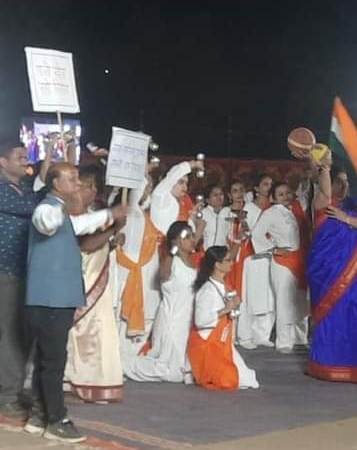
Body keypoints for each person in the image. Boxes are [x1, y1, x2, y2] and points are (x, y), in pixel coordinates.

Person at [23, 162, 127, 443]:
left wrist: (110, 214)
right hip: (51, 299)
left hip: (55, 297)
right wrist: (67, 205)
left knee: (48, 359)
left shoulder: (62, 213)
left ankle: (38, 414)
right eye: (72, 179)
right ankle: (57, 419)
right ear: (56, 184)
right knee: (54, 361)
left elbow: (81, 224)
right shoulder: (46, 209)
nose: (78, 184)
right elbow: (50, 223)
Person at [0, 143, 42, 419]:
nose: (24, 161)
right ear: (3, 162)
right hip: (7, 270)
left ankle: (15, 391)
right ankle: (5, 398)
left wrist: (51, 159)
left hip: (26, 269)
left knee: (24, 333)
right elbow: (33, 206)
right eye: (19, 157)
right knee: (11, 334)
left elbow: (37, 197)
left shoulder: (24, 188)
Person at [308, 162, 357, 383]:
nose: (344, 185)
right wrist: (324, 169)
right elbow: (325, 191)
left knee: (356, 315)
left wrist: (346, 219)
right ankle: (327, 365)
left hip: (354, 274)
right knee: (332, 317)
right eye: (339, 181)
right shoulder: (322, 203)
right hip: (328, 274)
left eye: (346, 181)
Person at [63, 165, 126, 403]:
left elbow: (98, 244)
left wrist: (112, 238)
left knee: (98, 330)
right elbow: (86, 245)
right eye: (88, 186)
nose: (93, 191)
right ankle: (73, 382)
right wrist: (112, 230)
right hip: (82, 279)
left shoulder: (92, 212)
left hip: (97, 275)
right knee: (82, 332)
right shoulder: (73, 213)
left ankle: (94, 382)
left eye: (94, 186)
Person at [126, 221, 200, 383]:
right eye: (186, 237)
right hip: (171, 319)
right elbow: (162, 276)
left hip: (185, 320)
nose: (191, 240)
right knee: (170, 372)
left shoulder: (193, 262)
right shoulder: (170, 261)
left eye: (191, 236)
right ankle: (124, 365)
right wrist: (172, 250)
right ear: (175, 241)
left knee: (180, 370)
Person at [188, 245, 259, 390]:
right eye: (227, 260)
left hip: (223, 342)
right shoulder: (207, 290)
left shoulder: (224, 286)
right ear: (217, 264)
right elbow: (200, 321)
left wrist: (235, 304)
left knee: (249, 380)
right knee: (230, 381)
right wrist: (226, 309)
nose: (232, 263)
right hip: (209, 344)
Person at [264, 182, 309, 353]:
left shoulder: (298, 209)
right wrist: (274, 248)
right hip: (282, 263)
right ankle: (283, 341)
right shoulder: (271, 213)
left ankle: (300, 338)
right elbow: (257, 234)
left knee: (300, 299)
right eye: (280, 194)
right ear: (274, 198)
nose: (285, 197)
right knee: (284, 301)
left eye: (288, 193)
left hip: (300, 260)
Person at [238, 174, 276, 349]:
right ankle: (245, 335)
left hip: (272, 258)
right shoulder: (248, 208)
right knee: (252, 297)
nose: (268, 187)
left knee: (269, 298)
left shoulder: (275, 208)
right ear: (256, 188)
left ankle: (263, 334)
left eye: (271, 184)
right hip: (253, 258)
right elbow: (248, 233)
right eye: (265, 184)